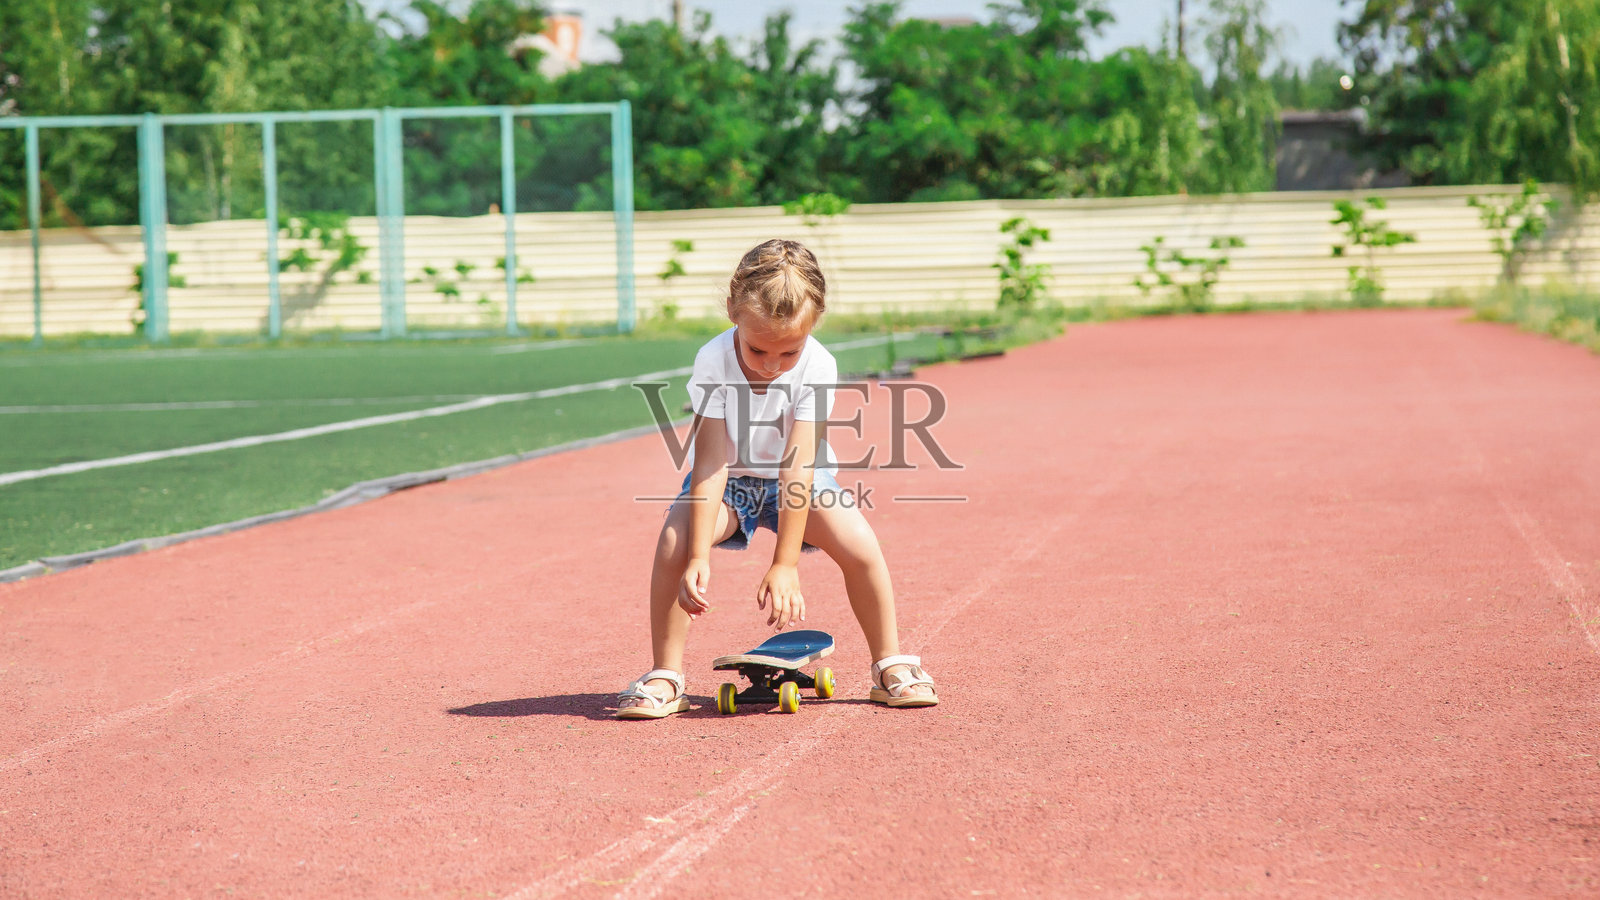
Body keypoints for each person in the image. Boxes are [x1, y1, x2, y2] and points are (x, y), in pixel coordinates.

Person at [616, 238, 939, 718]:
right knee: (673, 543)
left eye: (789, 352)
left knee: (861, 547)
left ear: (813, 328)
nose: (771, 365)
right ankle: (666, 675)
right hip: (728, 483)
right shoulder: (713, 361)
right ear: (732, 312)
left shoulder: (819, 366)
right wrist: (699, 556)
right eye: (758, 349)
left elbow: (798, 468)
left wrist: (785, 563)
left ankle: (889, 662)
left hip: (798, 480)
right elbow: (708, 464)